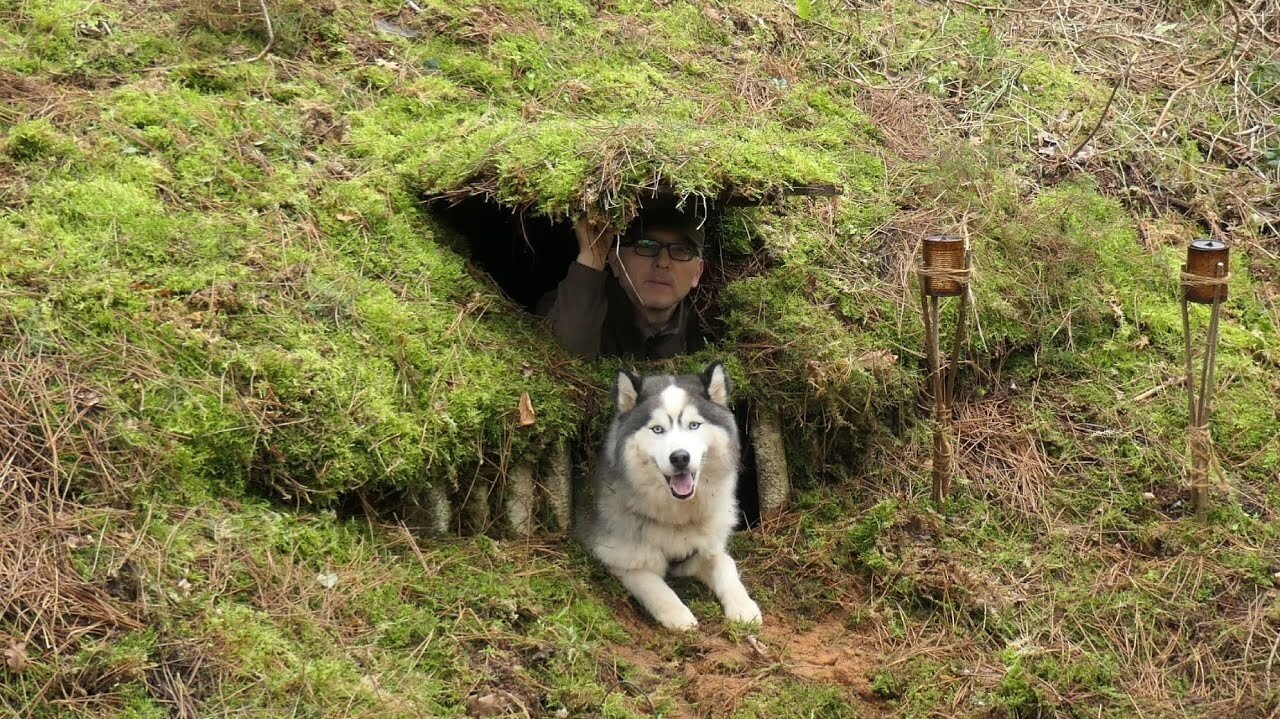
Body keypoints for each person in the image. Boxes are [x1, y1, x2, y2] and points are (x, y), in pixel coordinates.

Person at [537, 208, 707, 360]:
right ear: (616, 262)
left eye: (681, 250)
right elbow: (560, 363)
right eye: (646, 245)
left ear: (697, 273)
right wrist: (592, 257)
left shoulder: (708, 330)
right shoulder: (566, 306)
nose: (662, 262)